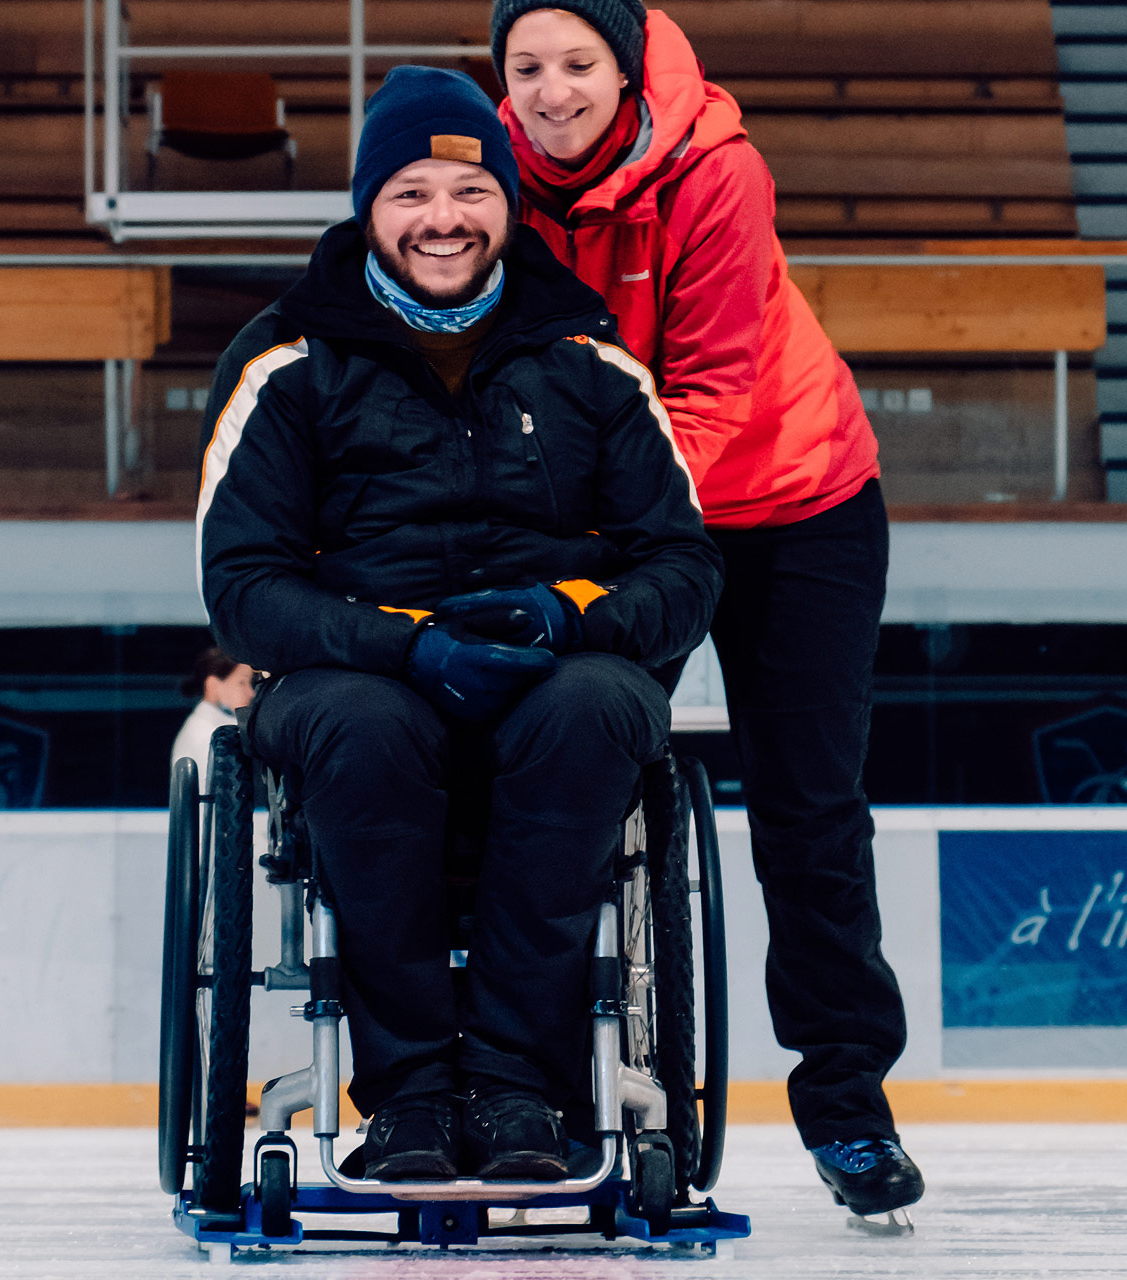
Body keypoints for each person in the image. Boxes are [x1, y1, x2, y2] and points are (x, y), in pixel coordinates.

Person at [196, 66, 722, 1182]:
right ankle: (413, 1099)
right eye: (411, 193)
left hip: (555, 666)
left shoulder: (593, 362)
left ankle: (521, 1089)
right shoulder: (286, 364)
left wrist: (565, 618)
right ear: (367, 209)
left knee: (600, 708)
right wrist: (406, 642)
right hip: (360, 675)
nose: (443, 218)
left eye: (469, 191)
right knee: (363, 724)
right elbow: (244, 586)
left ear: (509, 206)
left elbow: (684, 565)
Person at [489, 0, 924, 1222]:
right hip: (619, 504)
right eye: (526, 67)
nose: (553, 91)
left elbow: (724, 392)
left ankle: (847, 1100)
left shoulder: (717, 171)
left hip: (791, 493)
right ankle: (549, 1085)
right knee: (559, 756)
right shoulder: (486, 181)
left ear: (624, 69)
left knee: (809, 801)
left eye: (578, 63)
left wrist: (580, 514)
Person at [170, 644, 254, 789]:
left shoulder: (213, 727)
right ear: (213, 685)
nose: (251, 692)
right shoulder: (207, 734)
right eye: (242, 682)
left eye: (250, 683)